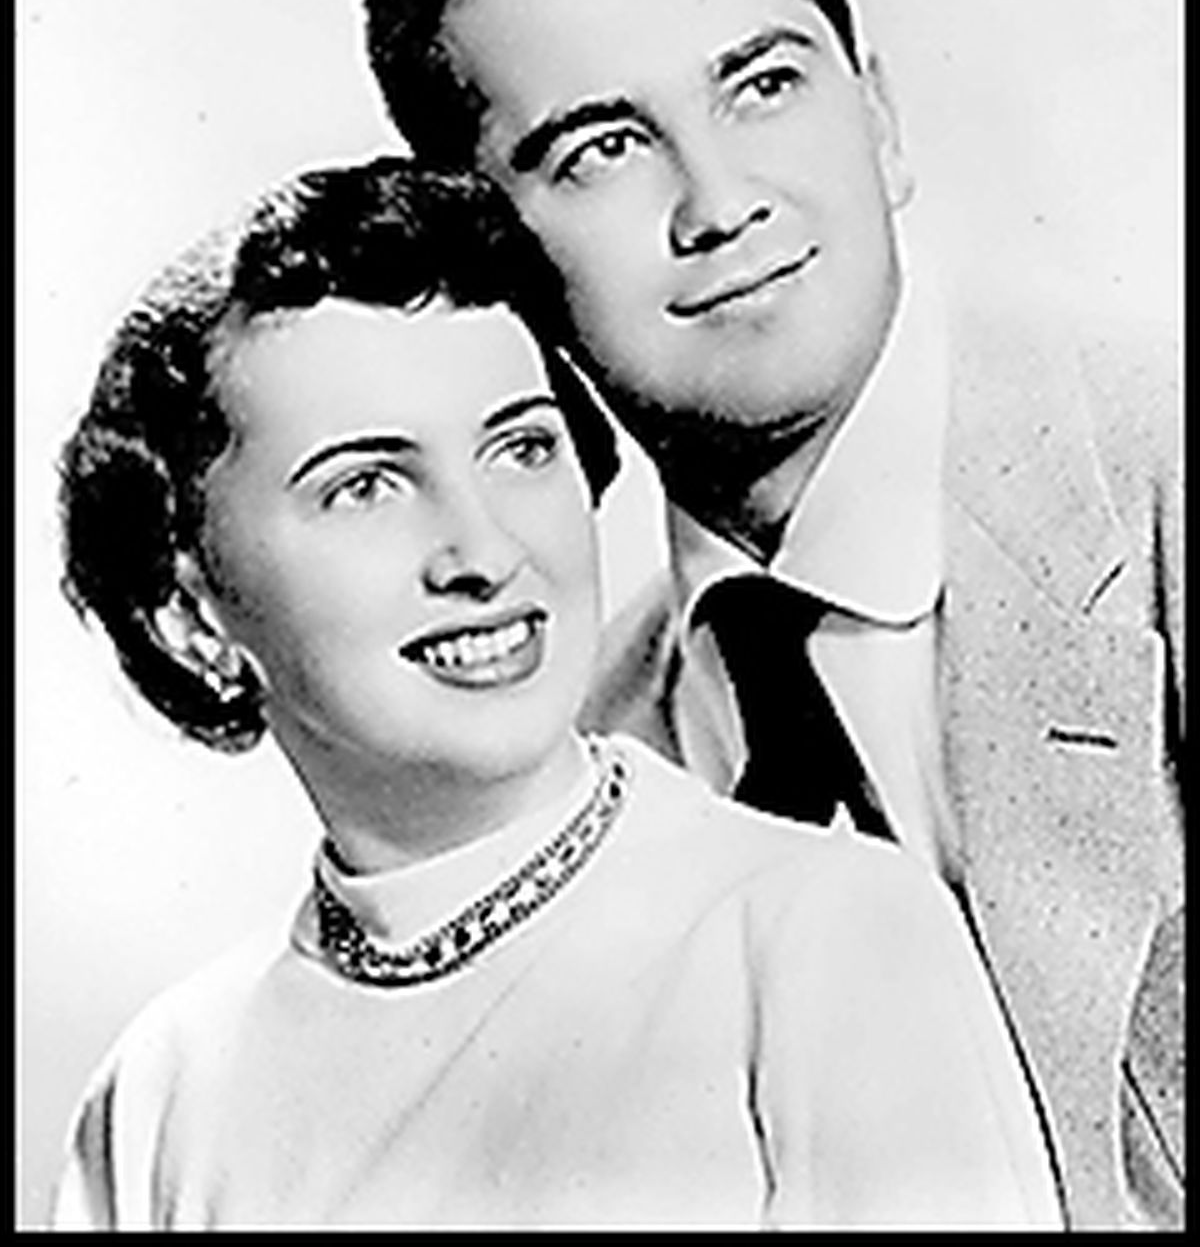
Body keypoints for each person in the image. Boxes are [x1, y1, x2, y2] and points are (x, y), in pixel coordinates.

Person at [356, 0, 1184, 1229]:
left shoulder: (1158, 486)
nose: (720, 202)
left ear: (882, 119)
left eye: (763, 84)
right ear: (492, 268)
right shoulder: (576, 775)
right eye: (600, 149)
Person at [50, 157, 1060, 1229]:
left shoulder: (825, 937)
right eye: (366, 486)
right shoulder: (162, 1093)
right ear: (189, 614)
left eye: (522, 448)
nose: (485, 553)